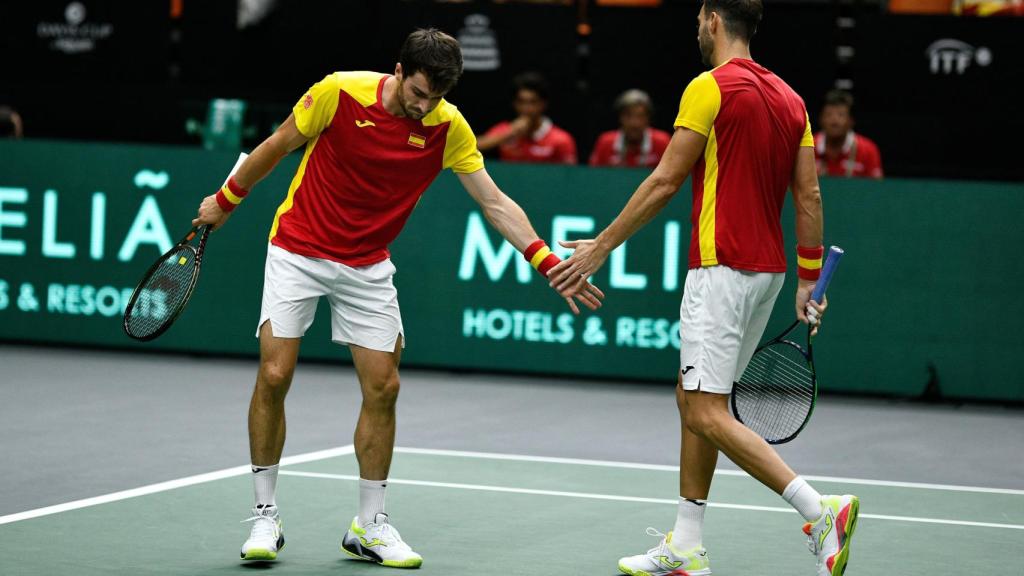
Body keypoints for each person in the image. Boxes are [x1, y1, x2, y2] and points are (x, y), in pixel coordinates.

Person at [191, 29, 603, 568]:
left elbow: (494, 202)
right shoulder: (339, 92)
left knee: (384, 386)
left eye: (437, 97)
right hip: (298, 249)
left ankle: (369, 524)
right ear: (399, 71)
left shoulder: (448, 126)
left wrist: (546, 261)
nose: (425, 106)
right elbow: (276, 145)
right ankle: (265, 514)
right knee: (274, 374)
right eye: (418, 93)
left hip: (367, 265)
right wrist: (226, 200)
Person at [548, 2, 858, 575]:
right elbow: (809, 196)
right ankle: (687, 543)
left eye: (698, 18)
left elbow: (665, 179)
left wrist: (602, 246)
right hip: (767, 275)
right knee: (692, 399)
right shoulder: (792, 101)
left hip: (720, 269)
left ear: (713, 20)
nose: (697, 27)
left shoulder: (708, 87)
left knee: (706, 410)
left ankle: (820, 511)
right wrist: (809, 279)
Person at [477, 72, 577, 164]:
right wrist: (509, 134)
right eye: (521, 102)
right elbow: (474, 148)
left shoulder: (561, 139)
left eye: (533, 102)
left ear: (543, 104)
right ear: (514, 103)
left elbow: (569, 174)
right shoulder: (505, 130)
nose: (526, 108)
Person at [589, 89, 672, 168]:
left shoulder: (662, 142)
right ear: (620, 117)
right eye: (628, 116)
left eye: (640, 116)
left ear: (648, 118)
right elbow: (593, 174)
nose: (634, 123)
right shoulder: (605, 143)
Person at [814, 89, 883, 179]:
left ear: (851, 121)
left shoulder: (868, 149)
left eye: (841, 115)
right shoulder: (808, 146)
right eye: (828, 115)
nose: (834, 121)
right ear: (820, 119)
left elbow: (877, 185)